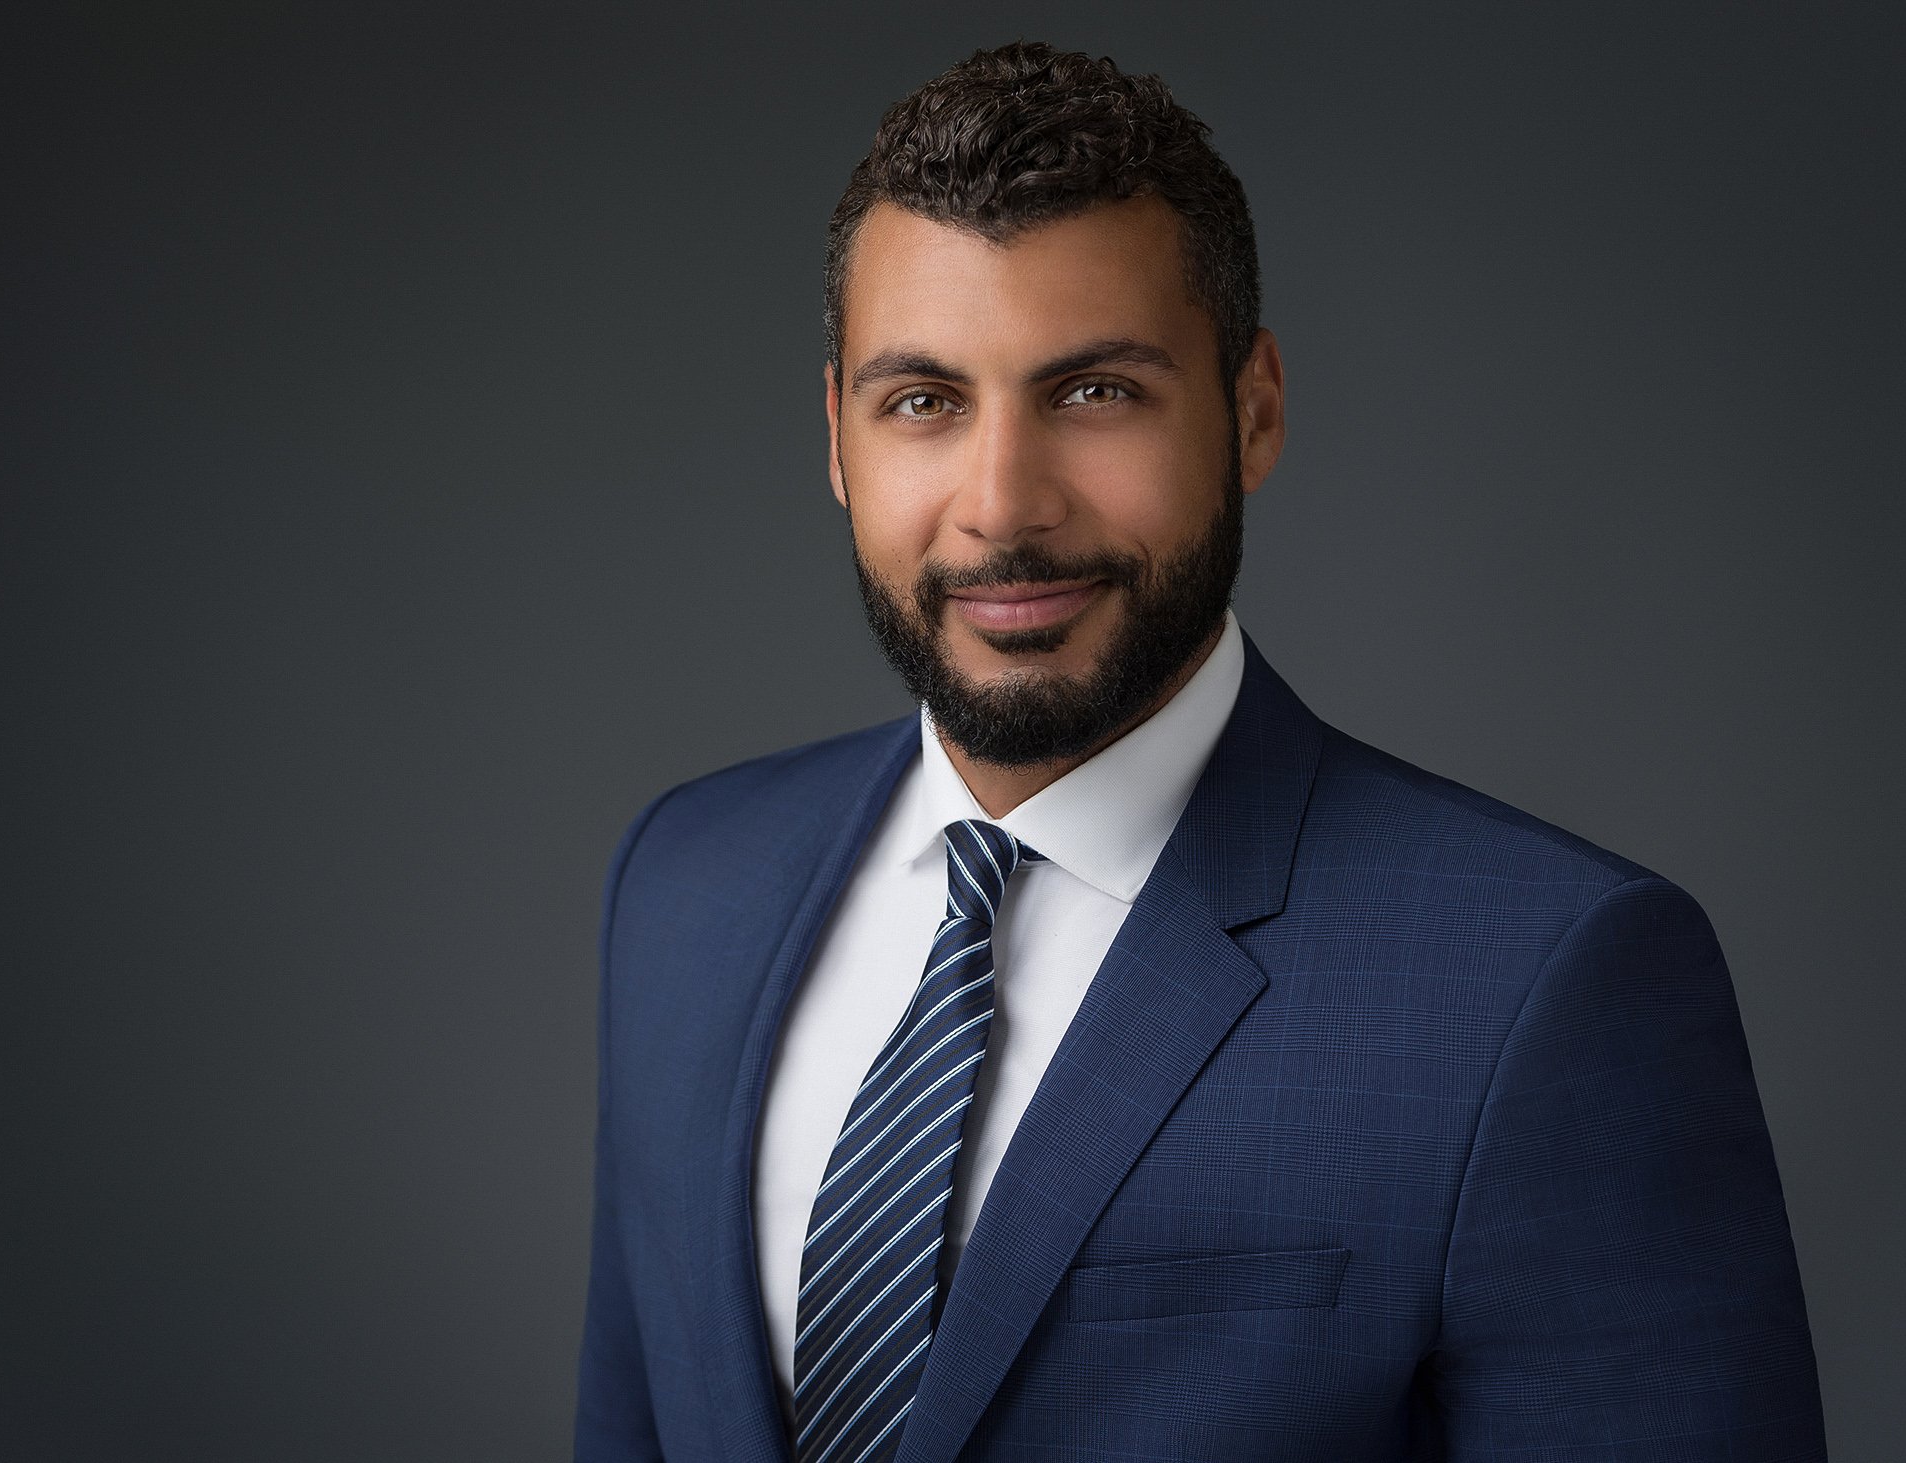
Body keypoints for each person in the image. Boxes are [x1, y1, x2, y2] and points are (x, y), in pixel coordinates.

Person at [574, 40, 1824, 1463]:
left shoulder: (1547, 983)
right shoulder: (682, 887)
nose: (1002, 504)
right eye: (923, 402)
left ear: (1253, 411)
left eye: (1095, 391)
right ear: (841, 442)